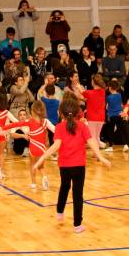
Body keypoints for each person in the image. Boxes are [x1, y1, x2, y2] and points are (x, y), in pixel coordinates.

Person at [34, 96, 111, 233]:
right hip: (79, 166)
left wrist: (41, 158)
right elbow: (92, 142)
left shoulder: (59, 127)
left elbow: (55, 145)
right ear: (77, 112)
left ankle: (59, 212)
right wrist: (101, 157)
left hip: (64, 166)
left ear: (60, 113)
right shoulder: (82, 126)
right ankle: (77, 225)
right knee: (77, 194)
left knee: (64, 186)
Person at [3, 100, 56, 190]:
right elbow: (55, 130)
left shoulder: (29, 121)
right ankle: (44, 177)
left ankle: (33, 183)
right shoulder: (46, 121)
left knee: (32, 164)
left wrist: (3, 128)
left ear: (32, 111)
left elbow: (16, 124)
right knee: (41, 166)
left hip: (33, 148)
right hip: (42, 148)